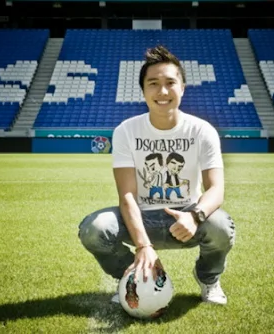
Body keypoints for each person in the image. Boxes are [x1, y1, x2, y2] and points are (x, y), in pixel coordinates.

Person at [78, 45, 236, 305]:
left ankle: (208, 278)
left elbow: (216, 189)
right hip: (142, 217)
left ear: (182, 87)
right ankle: (133, 276)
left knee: (221, 226)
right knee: (94, 229)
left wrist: (195, 216)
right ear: (143, 90)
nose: (162, 91)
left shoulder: (202, 130)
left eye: (170, 83)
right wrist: (143, 245)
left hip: (186, 215)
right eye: (153, 83)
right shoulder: (126, 131)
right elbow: (126, 194)